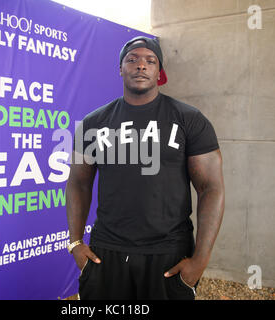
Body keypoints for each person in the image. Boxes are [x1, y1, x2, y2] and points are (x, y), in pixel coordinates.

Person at [66, 36, 225, 300]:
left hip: (169, 253)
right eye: (132, 59)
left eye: (150, 61)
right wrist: (75, 243)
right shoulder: (94, 122)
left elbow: (211, 188)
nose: (141, 65)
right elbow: (78, 182)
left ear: (159, 72)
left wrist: (200, 260)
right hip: (106, 252)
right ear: (120, 69)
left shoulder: (189, 119)